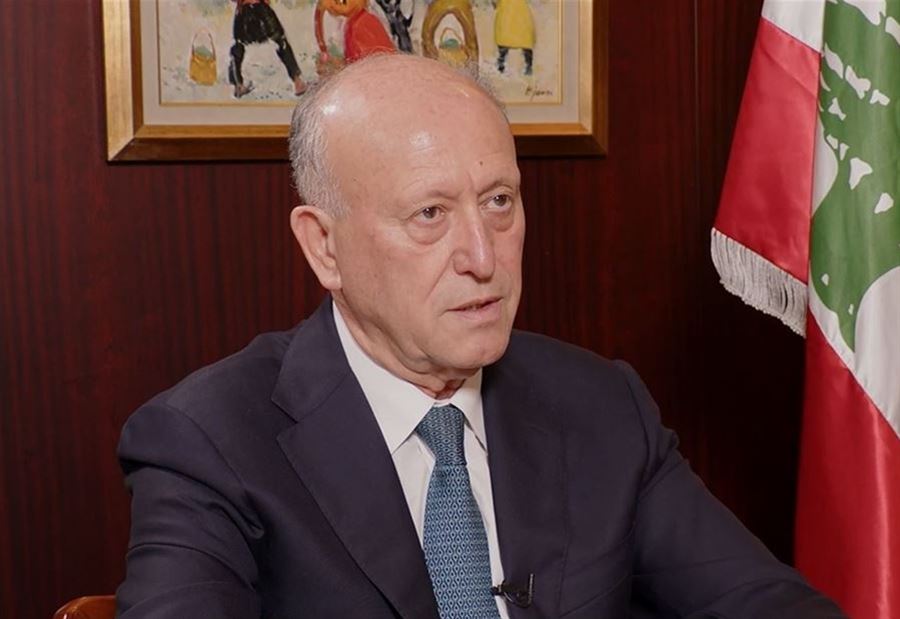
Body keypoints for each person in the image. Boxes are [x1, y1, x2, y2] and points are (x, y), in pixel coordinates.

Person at [116, 54, 845, 618]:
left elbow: (768, 604)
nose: (483, 256)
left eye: (499, 201)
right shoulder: (207, 441)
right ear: (324, 247)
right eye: (429, 214)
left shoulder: (602, 406)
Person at [228, 0, 307, 98]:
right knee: (280, 40)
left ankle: (238, 85)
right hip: (260, 10)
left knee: (237, 45)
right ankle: (297, 81)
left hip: (244, 13)